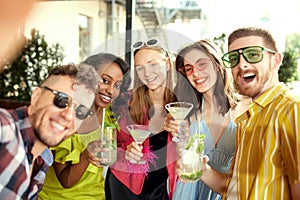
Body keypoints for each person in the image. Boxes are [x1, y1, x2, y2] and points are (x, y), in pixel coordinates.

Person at [198, 27, 300, 199]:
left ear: (276, 60)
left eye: (253, 54)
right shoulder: (247, 119)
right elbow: (234, 188)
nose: (242, 64)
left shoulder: (291, 111)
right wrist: (201, 170)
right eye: (234, 58)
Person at [38, 53, 131, 199]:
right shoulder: (67, 118)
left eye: (117, 85)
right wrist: (85, 156)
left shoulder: (109, 117)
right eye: (105, 81)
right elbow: (65, 181)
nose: (111, 91)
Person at [0, 63, 99, 199]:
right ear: (36, 96)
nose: (68, 116)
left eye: (80, 111)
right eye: (62, 100)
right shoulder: (6, 128)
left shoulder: (44, 160)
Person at [163, 39, 238, 200]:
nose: (195, 73)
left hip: (228, 191)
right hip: (190, 192)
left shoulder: (245, 108)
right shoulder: (187, 114)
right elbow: (183, 157)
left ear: (217, 63)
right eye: (189, 69)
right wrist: (177, 134)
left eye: (202, 64)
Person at [105, 39, 178, 199]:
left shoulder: (181, 106)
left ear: (166, 64)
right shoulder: (126, 101)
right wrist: (125, 152)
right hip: (125, 186)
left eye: (153, 64)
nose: (147, 73)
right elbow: (111, 146)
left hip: (161, 190)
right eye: (140, 68)